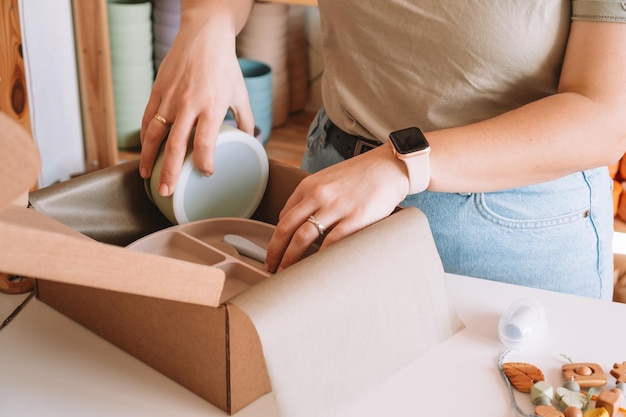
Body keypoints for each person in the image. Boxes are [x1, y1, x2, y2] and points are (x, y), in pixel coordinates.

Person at [139, 0, 626, 300]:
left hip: (509, 229)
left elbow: (606, 114)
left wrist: (401, 162)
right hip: (335, 180)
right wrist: (208, 24)